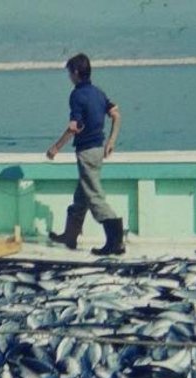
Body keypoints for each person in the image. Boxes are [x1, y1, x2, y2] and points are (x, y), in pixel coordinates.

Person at [46, 53, 124, 256]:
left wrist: (55, 148)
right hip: (98, 150)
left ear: (76, 73)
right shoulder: (98, 92)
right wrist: (111, 141)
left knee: (95, 197)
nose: (69, 77)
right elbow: (116, 114)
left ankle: (116, 242)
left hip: (87, 153)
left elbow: (74, 127)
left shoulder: (77, 95)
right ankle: (70, 236)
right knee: (81, 196)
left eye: (70, 73)